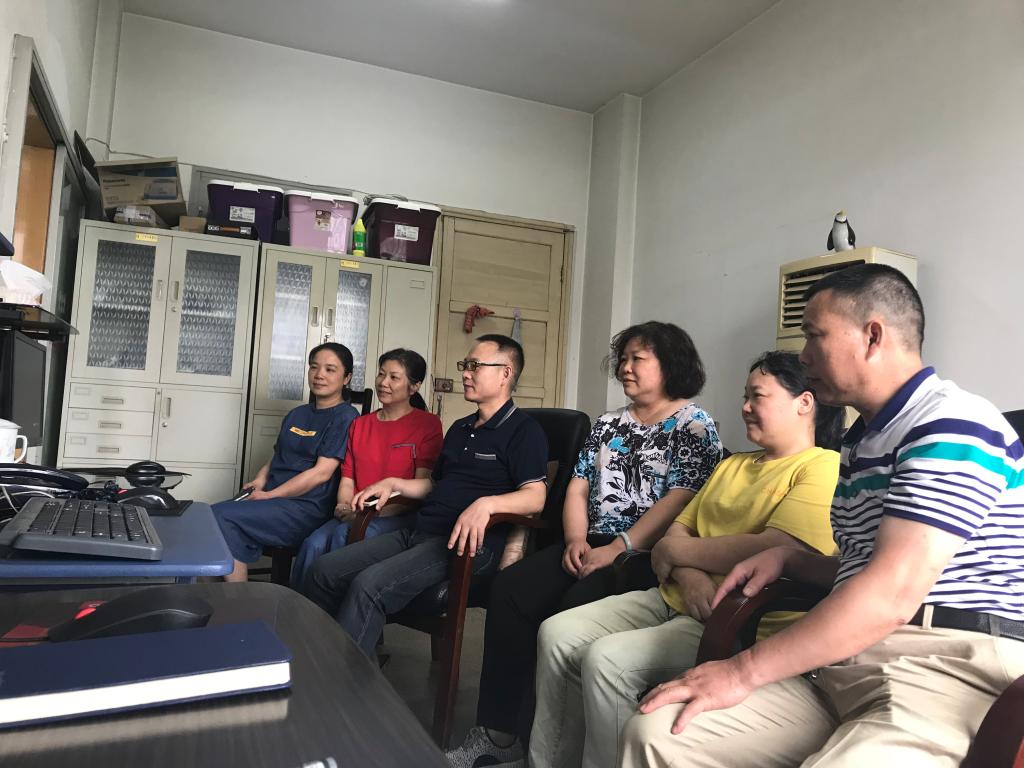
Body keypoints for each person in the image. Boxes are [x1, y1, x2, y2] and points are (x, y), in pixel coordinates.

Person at [624, 264, 1024, 767]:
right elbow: (865, 570)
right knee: (658, 732)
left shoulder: (951, 424)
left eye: (815, 335)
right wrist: (792, 560)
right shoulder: (862, 441)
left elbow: (892, 595)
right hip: (849, 663)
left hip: (945, 667)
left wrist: (742, 671)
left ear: (872, 336)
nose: (804, 355)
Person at [527, 350, 843, 768]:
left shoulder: (821, 467)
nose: (745, 407)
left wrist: (676, 553)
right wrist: (689, 573)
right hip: (676, 594)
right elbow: (678, 530)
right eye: (745, 396)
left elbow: (777, 547)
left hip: (735, 618)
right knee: (556, 633)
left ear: (804, 403)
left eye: (758, 396)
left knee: (607, 662)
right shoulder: (733, 464)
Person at [446, 321, 723, 768]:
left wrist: (618, 547)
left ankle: (554, 745)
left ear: (670, 365)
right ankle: (499, 734)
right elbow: (578, 486)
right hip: (587, 540)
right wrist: (575, 539)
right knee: (510, 591)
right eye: (623, 359)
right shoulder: (609, 422)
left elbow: (680, 500)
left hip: (645, 554)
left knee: (570, 609)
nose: (625, 367)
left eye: (637, 359)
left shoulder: (694, 425)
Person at [303, 334, 549, 658]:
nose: (465, 374)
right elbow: (435, 485)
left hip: (465, 546)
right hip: (420, 531)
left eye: (475, 366)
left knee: (368, 586)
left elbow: (535, 497)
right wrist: (394, 483)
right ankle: (330, 664)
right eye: (465, 365)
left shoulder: (524, 430)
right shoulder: (461, 428)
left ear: (505, 373)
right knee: (323, 571)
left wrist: (487, 504)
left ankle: (344, 683)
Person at [290, 349, 443, 586]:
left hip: (396, 514)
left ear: (414, 386)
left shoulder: (428, 425)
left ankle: (334, 607)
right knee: (313, 544)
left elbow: (422, 486)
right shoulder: (360, 424)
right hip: (355, 511)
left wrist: (368, 514)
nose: (383, 382)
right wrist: (344, 506)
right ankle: (299, 607)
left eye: (394, 377)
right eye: (381, 374)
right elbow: (347, 478)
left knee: (343, 536)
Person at [212, 342, 359, 583]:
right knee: (206, 521)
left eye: (330, 369)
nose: (319, 375)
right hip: (272, 500)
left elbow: (321, 473)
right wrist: (260, 480)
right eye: (314, 367)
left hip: (305, 508)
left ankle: (237, 600)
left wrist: (270, 495)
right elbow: (277, 456)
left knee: (220, 517)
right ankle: (220, 599)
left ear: (347, 378)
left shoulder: (346, 416)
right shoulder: (297, 414)